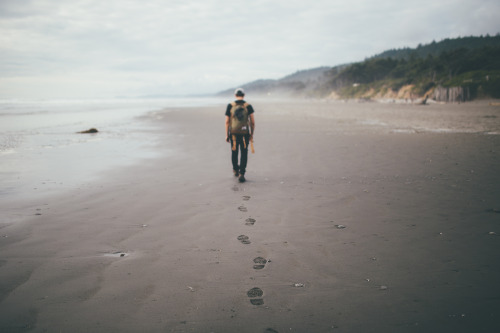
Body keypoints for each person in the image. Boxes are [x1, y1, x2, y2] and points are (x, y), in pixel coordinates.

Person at [225, 88, 255, 183]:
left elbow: (227, 121)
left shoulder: (230, 105)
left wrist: (227, 134)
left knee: (234, 151)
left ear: (235, 95)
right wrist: (251, 134)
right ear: (244, 95)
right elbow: (252, 122)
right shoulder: (248, 106)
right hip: (244, 133)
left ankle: (235, 170)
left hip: (233, 132)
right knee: (244, 152)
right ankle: (242, 173)